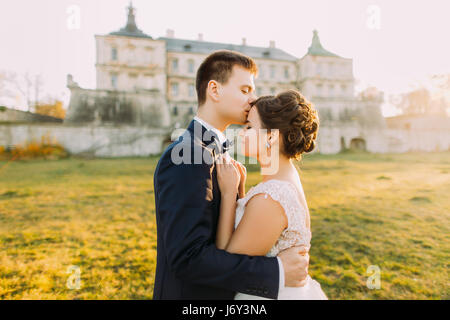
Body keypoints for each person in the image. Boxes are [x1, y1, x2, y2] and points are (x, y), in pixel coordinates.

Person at [153, 50, 310, 299]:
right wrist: (277, 271)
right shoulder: (185, 156)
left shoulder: (216, 153)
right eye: (245, 90)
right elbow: (186, 259)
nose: (252, 99)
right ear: (214, 90)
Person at [215, 90, 328, 300]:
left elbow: (226, 265)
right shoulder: (285, 178)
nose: (241, 133)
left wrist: (229, 194)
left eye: (249, 127)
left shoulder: (272, 197)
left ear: (271, 136)